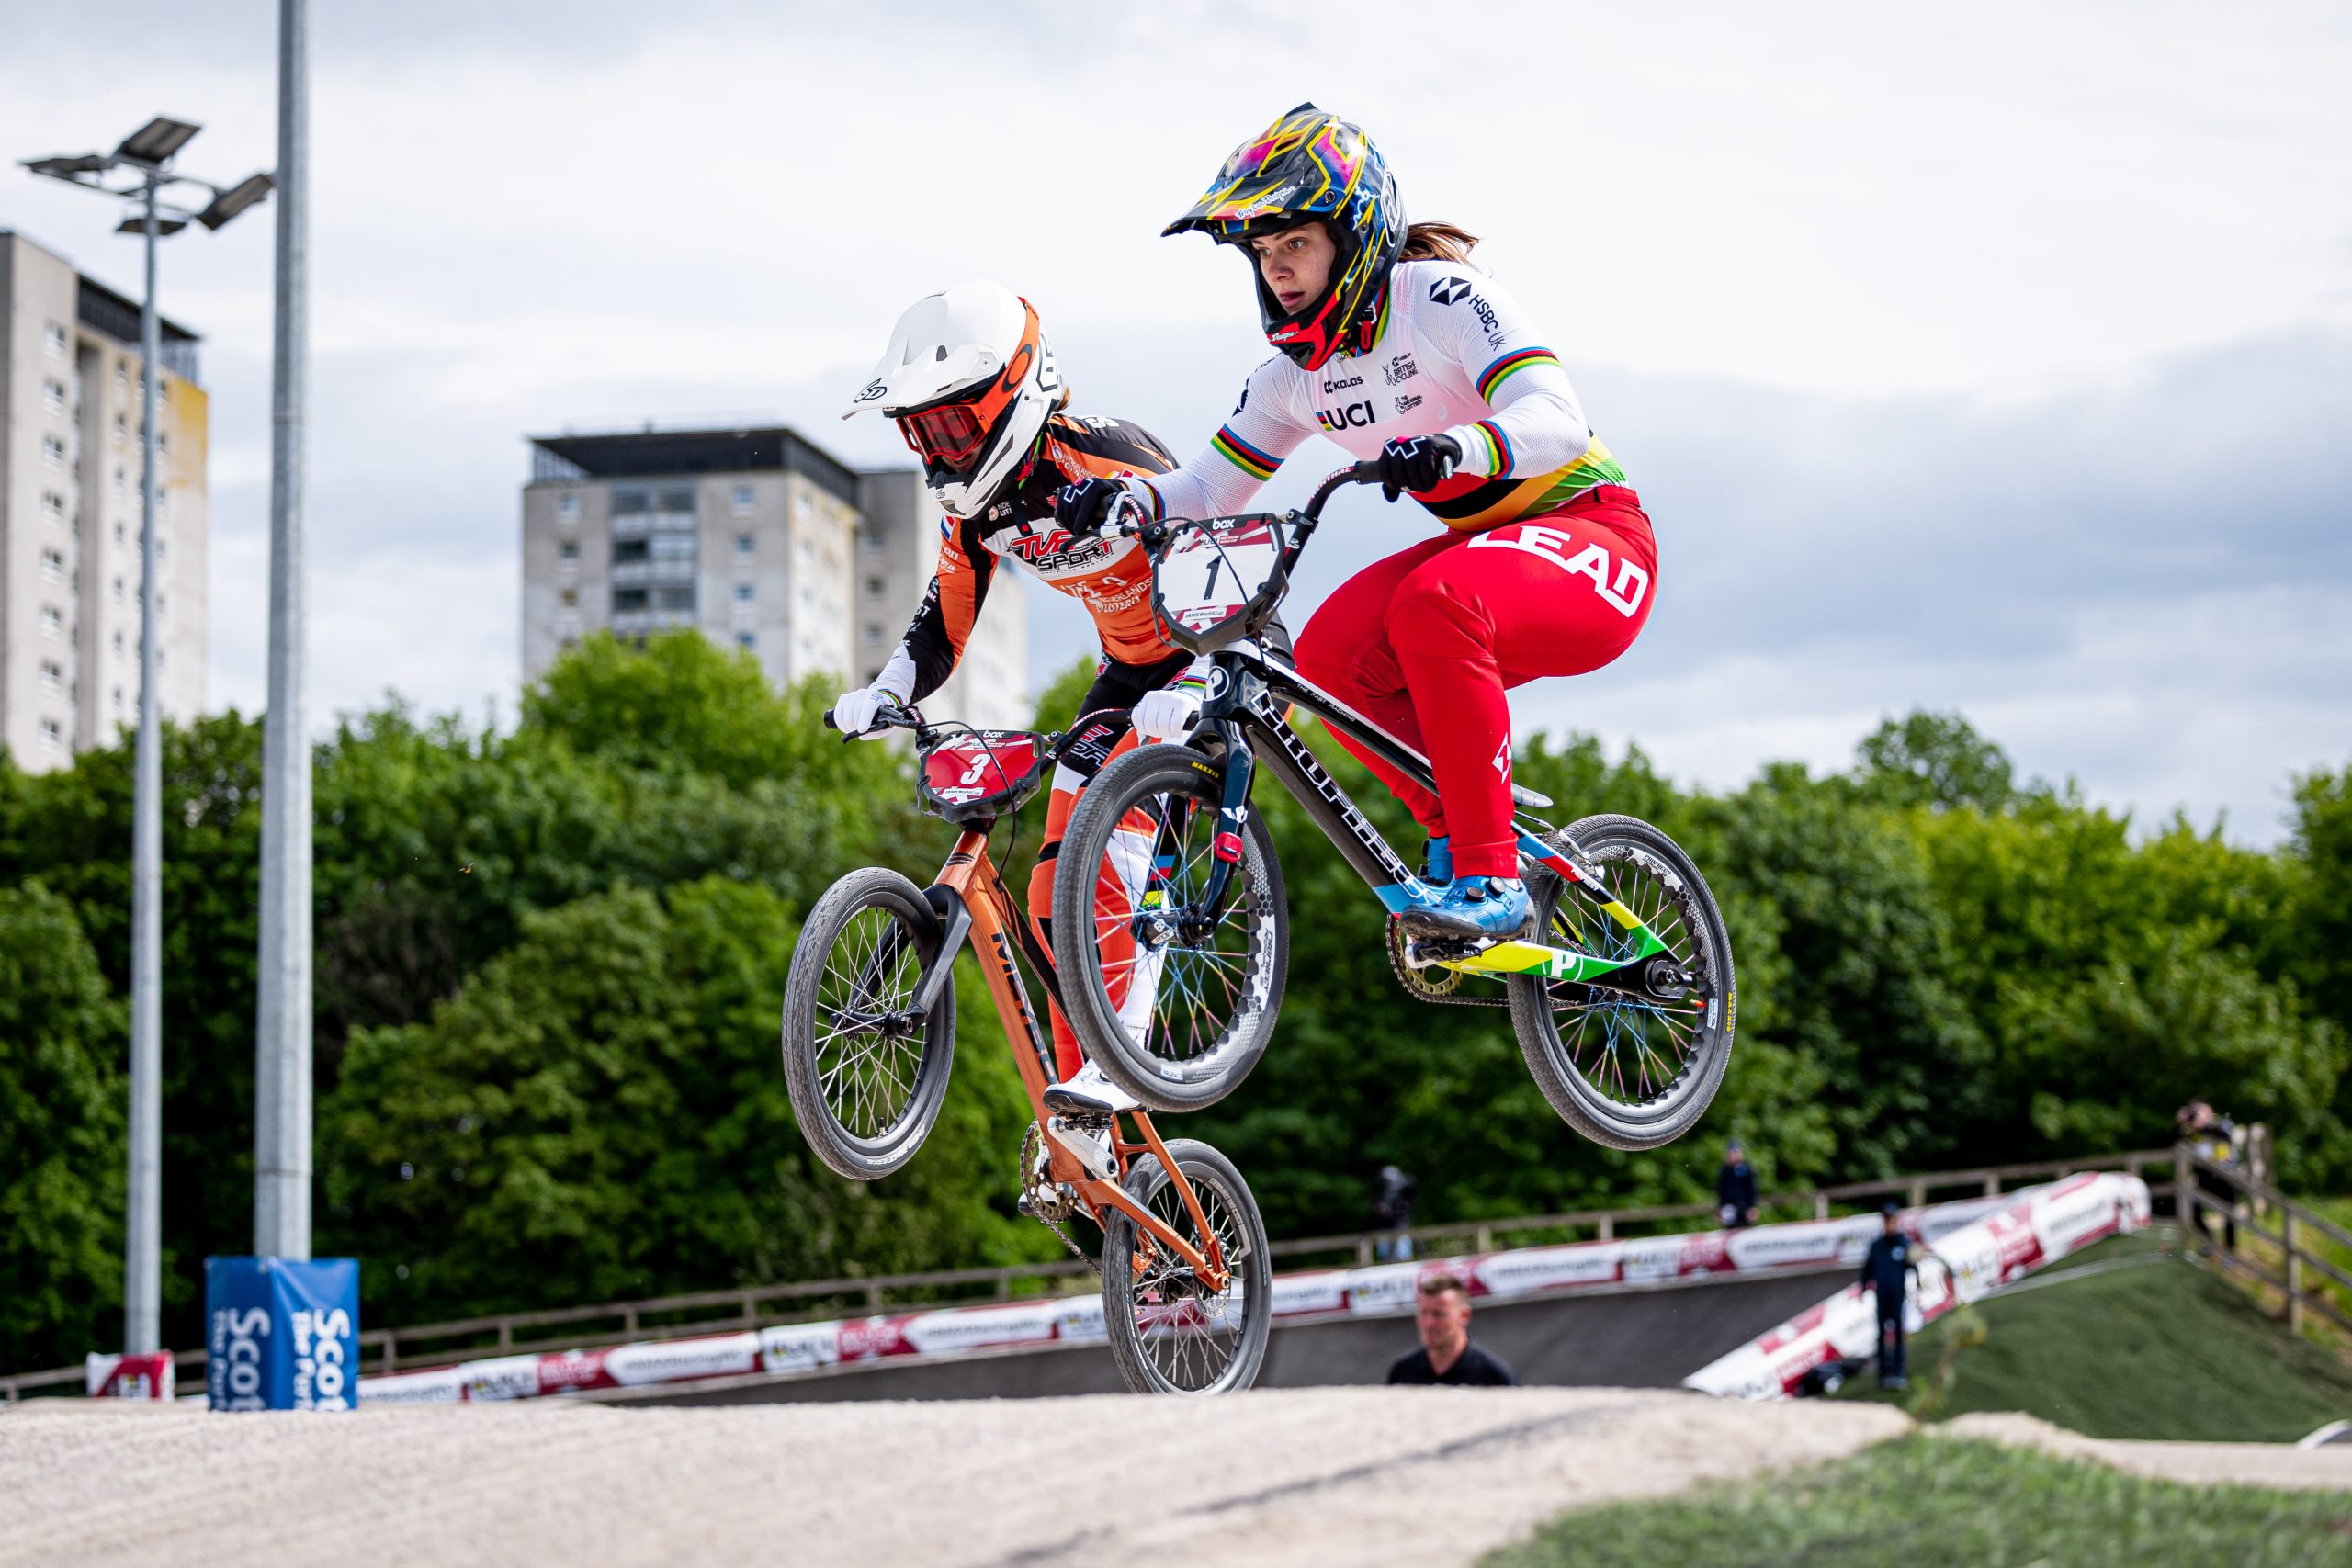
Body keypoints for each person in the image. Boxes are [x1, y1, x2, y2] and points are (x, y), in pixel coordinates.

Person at [1057, 103, 1656, 941]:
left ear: (1356, 233)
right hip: (1482, 551)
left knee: (1433, 603)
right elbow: (1205, 490)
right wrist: (1121, 504)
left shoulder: (1441, 301)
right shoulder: (1289, 379)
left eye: (1294, 244)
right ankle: (1459, 829)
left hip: (1597, 536)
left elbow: (1555, 416)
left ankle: (1490, 878)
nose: (1277, 271)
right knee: (1332, 662)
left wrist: (1462, 446)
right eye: (1263, 254)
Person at [832, 283, 1198, 1164]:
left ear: (1017, 393)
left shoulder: (1110, 458)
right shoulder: (980, 510)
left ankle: (1129, 1059)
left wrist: (1204, 680)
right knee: (1046, 898)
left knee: (1112, 858)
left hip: (1215, 654)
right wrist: (888, 688)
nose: (940, 452)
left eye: (953, 428)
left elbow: (1228, 552)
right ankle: (1088, 1125)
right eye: (922, 434)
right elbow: (944, 620)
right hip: (1127, 672)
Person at [1386, 1272, 1519, 1386]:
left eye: (1439, 1314)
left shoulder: (1493, 1375)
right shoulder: (1403, 1372)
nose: (1429, 1323)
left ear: (1464, 1315)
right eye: (1423, 1313)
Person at [1858, 1201, 1926, 1390]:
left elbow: (1915, 1267)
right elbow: (1867, 1269)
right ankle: (1882, 1376)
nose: (1889, 1223)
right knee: (1880, 1335)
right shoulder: (1877, 1246)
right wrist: (1863, 1288)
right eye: (1886, 1219)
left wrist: (1918, 1290)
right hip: (1881, 1297)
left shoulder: (1904, 1244)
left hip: (1898, 1298)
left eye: (1892, 1219)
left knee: (1898, 1334)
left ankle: (1898, 1373)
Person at [2177, 1099, 2241, 1252]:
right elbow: (2174, 1140)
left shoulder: (2222, 1124)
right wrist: (2179, 1123)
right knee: (2193, 1209)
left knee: (2229, 1215)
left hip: (2226, 1178)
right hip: (2205, 1180)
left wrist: (2207, 1121)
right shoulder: (2191, 1131)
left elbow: (2224, 1134)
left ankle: (2229, 1251)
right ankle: (2209, 1243)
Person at [1372, 1165, 1418, 1262]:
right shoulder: (1381, 1195)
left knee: (1403, 1255)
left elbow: (1412, 1184)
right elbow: (1378, 1213)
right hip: (1385, 1229)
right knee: (1385, 1257)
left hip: (1401, 1228)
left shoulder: (1403, 1191)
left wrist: (1399, 1186)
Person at [1716, 1141, 1758, 1229]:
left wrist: (1753, 1207)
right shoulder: (1725, 1170)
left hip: (1744, 1206)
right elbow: (1720, 1190)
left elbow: (1752, 1189)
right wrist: (1720, 1208)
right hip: (1728, 1208)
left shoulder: (1747, 1168)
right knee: (1729, 1230)